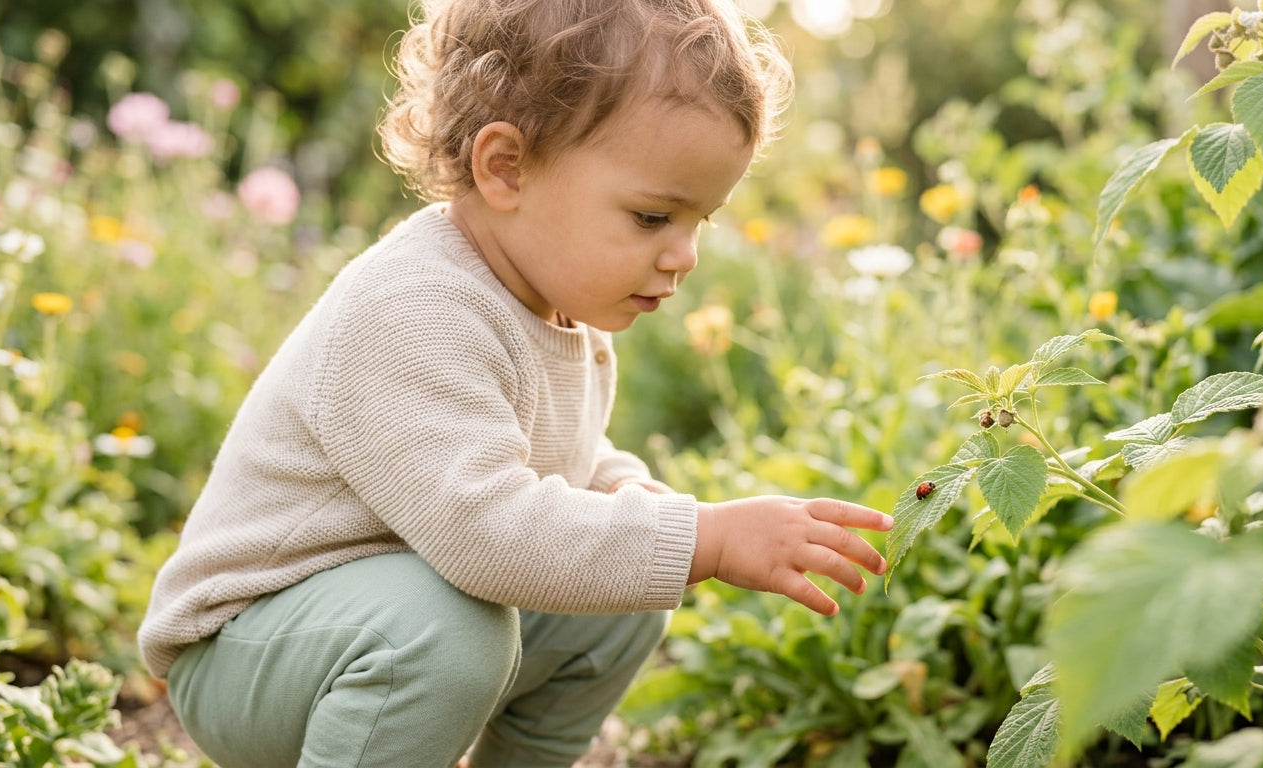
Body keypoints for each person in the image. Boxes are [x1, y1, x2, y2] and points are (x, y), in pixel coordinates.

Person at [138, 0, 894, 765]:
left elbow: (564, 461)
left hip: (370, 625)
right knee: (452, 627)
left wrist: (641, 504)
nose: (684, 255)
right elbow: (487, 531)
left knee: (623, 603)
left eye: (701, 220)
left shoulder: (558, 308)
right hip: (249, 649)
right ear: (506, 168)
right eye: (651, 216)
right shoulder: (416, 308)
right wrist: (707, 538)